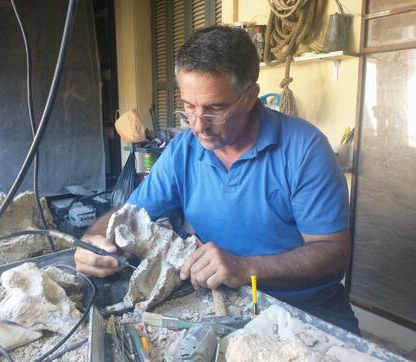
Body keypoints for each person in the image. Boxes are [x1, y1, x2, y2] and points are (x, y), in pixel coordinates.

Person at [75, 25, 360, 335]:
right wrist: (93, 241)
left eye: (216, 109)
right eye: (188, 107)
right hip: (227, 304)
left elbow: (333, 255)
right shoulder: (183, 151)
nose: (198, 125)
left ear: (251, 96)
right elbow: (128, 216)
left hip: (307, 312)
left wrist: (246, 267)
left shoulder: (304, 150)